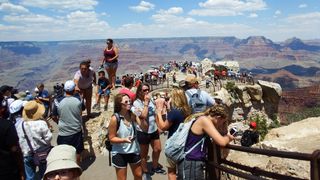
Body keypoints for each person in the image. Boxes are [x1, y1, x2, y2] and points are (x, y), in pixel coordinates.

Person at [177, 104, 234, 180]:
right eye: (222, 122)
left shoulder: (203, 119)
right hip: (191, 162)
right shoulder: (204, 121)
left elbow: (218, 135)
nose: (221, 124)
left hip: (191, 162)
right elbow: (222, 142)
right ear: (218, 118)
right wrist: (229, 137)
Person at [109, 94, 148, 180]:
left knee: (138, 175)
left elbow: (145, 128)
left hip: (133, 150)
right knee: (122, 178)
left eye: (130, 101)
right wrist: (124, 140)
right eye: (126, 102)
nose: (129, 103)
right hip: (120, 153)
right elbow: (111, 138)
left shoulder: (132, 115)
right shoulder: (115, 119)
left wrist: (140, 116)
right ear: (120, 104)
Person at [155, 88, 191, 180]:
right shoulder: (188, 110)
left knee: (172, 172)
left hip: (174, 144)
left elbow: (163, 127)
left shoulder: (174, 112)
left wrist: (159, 112)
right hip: (185, 143)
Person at [132, 83, 166, 176]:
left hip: (153, 129)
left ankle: (155, 166)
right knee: (144, 153)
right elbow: (143, 116)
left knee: (158, 149)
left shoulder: (151, 100)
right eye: (144, 90)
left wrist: (159, 126)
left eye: (148, 89)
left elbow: (155, 114)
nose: (147, 91)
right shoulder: (136, 103)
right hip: (143, 131)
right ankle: (145, 169)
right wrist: (146, 104)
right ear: (139, 91)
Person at [16, 100, 52, 180]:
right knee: (44, 174)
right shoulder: (41, 123)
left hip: (26, 153)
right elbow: (48, 138)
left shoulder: (20, 124)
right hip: (42, 153)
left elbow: (20, 140)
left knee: (29, 176)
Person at [53, 80, 83, 165]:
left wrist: (59, 122)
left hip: (63, 133)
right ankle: (77, 169)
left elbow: (54, 116)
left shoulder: (57, 101)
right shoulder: (78, 100)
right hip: (76, 131)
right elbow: (81, 111)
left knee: (64, 153)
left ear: (64, 90)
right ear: (74, 90)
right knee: (77, 152)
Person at [0, 95, 25, 180]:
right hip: (7, 171)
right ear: (2, 108)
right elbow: (15, 150)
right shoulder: (7, 125)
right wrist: (21, 169)